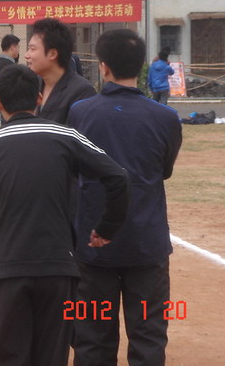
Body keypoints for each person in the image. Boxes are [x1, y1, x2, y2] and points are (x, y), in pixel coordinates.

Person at [0, 64, 129, 366]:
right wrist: (108, 227)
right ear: (39, 98)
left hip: (6, 273)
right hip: (58, 272)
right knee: (52, 357)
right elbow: (118, 177)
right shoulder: (65, 136)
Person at [68, 29, 182, 366]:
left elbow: (75, 168)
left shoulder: (80, 113)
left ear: (103, 66)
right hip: (147, 244)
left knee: (92, 337)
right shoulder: (165, 117)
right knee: (148, 335)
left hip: (92, 245)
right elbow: (163, 170)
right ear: (141, 65)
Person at [24, 18, 95, 124]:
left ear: (52, 54)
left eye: (32, 49)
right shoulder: (32, 85)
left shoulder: (82, 92)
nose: (26, 55)